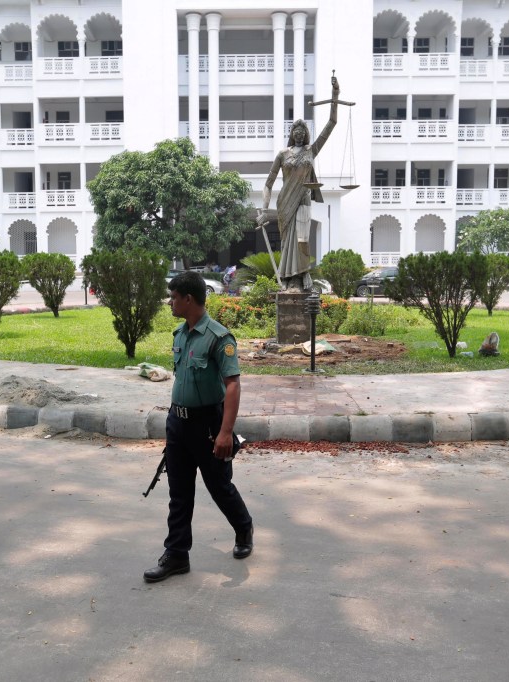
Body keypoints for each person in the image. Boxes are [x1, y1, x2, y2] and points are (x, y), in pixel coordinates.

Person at [144, 272, 254, 583]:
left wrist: (225, 432)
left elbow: (232, 385)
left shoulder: (219, 338)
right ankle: (177, 554)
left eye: (173, 297)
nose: (170, 302)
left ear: (188, 299)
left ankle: (243, 527)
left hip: (208, 425)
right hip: (178, 423)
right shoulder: (179, 334)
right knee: (179, 492)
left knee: (219, 486)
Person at [260, 74, 340, 292]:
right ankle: (287, 278)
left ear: (305, 134)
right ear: (291, 133)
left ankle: (303, 273)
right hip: (285, 202)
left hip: (303, 199)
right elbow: (268, 183)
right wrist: (264, 210)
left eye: (302, 131)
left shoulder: (311, 151)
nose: (298, 133)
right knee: (287, 241)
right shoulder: (282, 154)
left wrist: (335, 95)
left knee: (302, 238)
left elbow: (332, 124)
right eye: (295, 130)